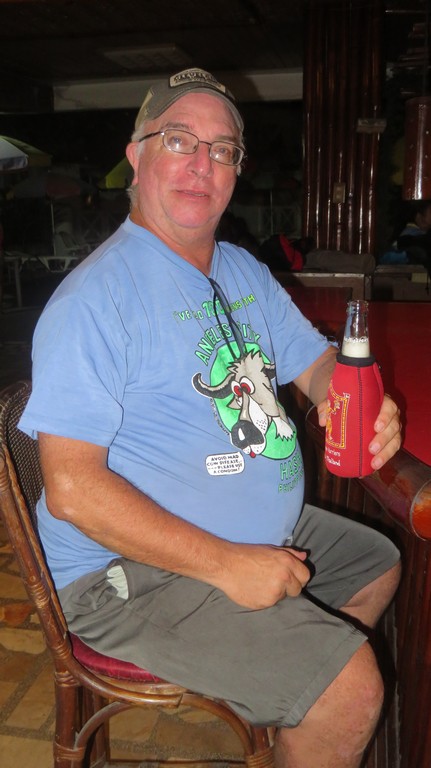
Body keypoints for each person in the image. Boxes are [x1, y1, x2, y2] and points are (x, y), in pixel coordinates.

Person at [19, 68, 402, 768]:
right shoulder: (95, 300)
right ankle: (314, 698)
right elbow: (71, 490)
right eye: (178, 140)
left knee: (375, 564)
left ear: (236, 171)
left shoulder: (240, 269)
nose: (202, 164)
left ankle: (287, 713)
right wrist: (227, 564)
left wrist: (358, 402)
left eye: (222, 149)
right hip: (125, 572)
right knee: (349, 692)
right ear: (135, 158)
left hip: (247, 534)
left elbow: (316, 365)